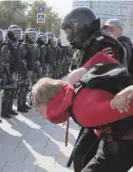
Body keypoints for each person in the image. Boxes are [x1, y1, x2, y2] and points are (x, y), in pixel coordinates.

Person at [32, 52, 133, 172]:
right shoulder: (76, 86)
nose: (43, 117)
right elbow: (102, 56)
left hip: (123, 145)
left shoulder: (83, 112)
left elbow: (128, 107)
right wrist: (85, 68)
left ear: (49, 102)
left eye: (40, 111)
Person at [60, 7, 127, 171]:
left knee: (82, 157)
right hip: (99, 113)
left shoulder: (104, 45)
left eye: (70, 32)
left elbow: (111, 79)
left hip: (110, 116)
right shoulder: (94, 43)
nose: (69, 37)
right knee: (83, 156)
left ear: (80, 28)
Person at [1, 25, 23, 118]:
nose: (18, 35)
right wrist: (8, 75)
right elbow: (4, 62)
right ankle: (4, 111)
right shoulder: (6, 46)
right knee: (7, 92)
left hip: (14, 72)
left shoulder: (16, 45)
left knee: (13, 91)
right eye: (16, 33)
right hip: (8, 73)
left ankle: (9, 109)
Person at [18, 28, 37, 112]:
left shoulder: (31, 45)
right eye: (31, 36)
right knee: (22, 88)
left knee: (26, 88)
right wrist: (24, 71)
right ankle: (20, 106)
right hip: (24, 71)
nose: (33, 38)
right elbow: (21, 60)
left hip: (29, 70)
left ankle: (23, 103)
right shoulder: (23, 46)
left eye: (34, 36)